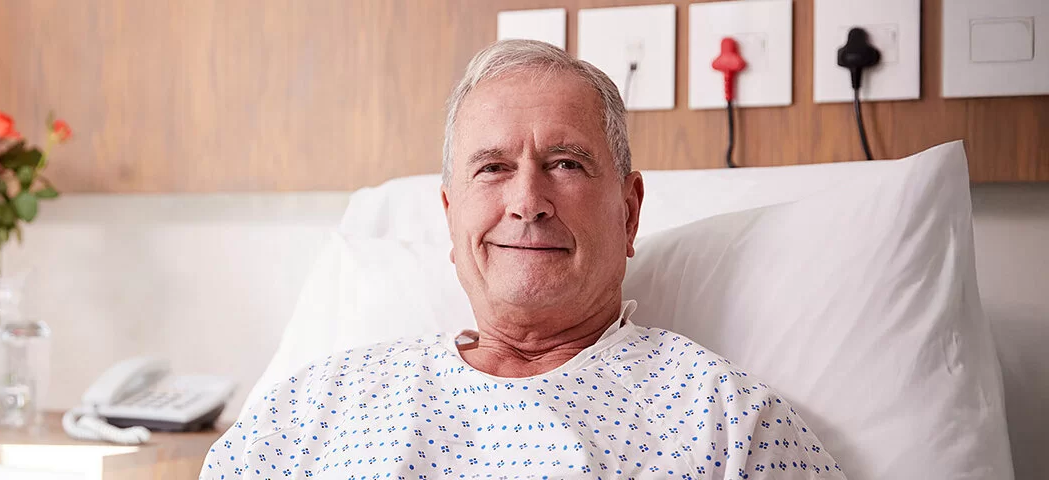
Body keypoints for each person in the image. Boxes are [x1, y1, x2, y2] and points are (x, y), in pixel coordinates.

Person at [201, 39, 843, 479]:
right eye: (493, 168)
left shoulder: (729, 421)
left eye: (566, 164)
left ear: (628, 212)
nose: (528, 200)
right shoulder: (312, 408)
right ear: (450, 217)